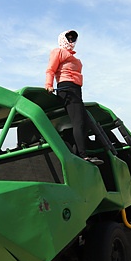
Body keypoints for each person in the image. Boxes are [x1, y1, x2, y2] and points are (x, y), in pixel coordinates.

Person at [45, 30, 102, 165]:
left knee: (86, 122)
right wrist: (48, 84)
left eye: (73, 39)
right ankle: (83, 155)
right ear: (62, 39)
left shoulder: (74, 57)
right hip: (67, 88)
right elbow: (50, 70)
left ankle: (78, 151)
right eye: (68, 38)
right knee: (79, 122)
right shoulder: (57, 52)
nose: (71, 41)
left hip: (76, 90)